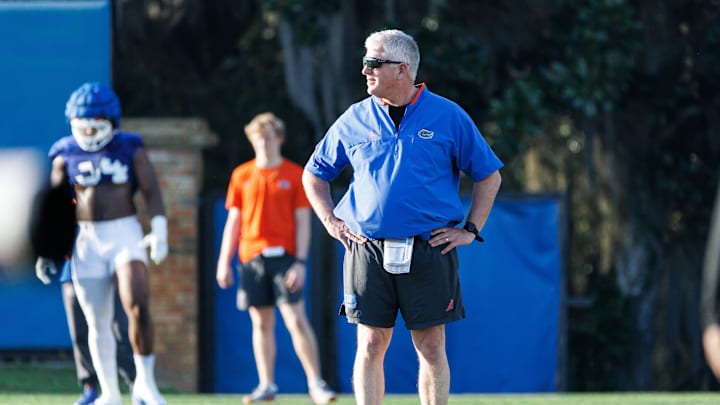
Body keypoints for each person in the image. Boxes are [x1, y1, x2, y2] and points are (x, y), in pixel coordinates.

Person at [302, 29, 503, 405]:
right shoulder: (354, 118)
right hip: (367, 248)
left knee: (430, 344)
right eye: (364, 62)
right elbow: (314, 173)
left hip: (429, 248)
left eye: (373, 62)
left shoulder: (447, 115)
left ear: (402, 68)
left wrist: (470, 230)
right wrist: (331, 221)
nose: (365, 70)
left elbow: (489, 175)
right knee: (371, 342)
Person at [34, 82, 168, 405]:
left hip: (124, 233)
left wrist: (159, 227)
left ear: (112, 122)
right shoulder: (64, 153)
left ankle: (145, 383)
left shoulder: (130, 147)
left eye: (97, 125)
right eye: (84, 126)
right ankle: (109, 392)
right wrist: (48, 245)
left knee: (137, 301)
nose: (91, 133)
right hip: (86, 240)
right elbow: (56, 203)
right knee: (96, 319)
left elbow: (150, 190)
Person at [215, 112, 337, 404]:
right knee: (261, 324)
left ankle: (315, 384)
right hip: (251, 259)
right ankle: (266, 384)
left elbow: (303, 222)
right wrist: (223, 261)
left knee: (296, 320)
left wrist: (300, 262)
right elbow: (234, 221)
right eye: (258, 137)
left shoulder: (294, 175)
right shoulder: (241, 175)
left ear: (279, 139)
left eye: (268, 137)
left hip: (285, 258)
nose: (263, 142)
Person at [58, 260, 136, 405]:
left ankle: (135, 385)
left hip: (107, 272)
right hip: (73, 274)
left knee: (120, 330)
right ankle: (90, 388)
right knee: (80, 334)